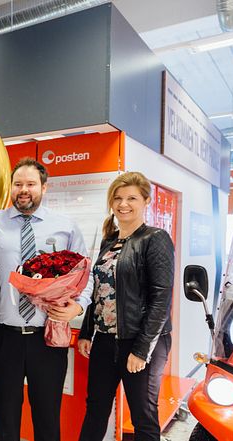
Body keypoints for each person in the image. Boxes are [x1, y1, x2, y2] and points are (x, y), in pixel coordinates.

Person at [0, 157, 93, 441]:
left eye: (31, 184)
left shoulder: (65, 226)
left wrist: (78, 306)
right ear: (11, 188)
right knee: (5, 419)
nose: (24, 189)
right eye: (18, 184)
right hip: (2, 337)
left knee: (47, 418)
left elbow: (86, 272)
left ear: (44, 188)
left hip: (46, 337)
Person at [77, 171, 174, 441]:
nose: (123, 204)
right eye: (118, 198)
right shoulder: (109, 242)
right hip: (105, 341)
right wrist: (87, 332)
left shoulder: (155, 239)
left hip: (142, 341)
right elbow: (98, 291)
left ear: (146, 201)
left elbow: (161, 298)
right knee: (95, 409)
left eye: (131, 198)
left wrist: (141, 350)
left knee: (143, 416)